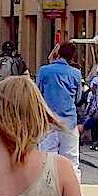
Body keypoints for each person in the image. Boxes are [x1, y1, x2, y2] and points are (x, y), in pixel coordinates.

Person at [35, 43, 82, 179]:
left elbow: (38, 93)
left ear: (58, 53)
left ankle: (49, 190)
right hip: (69, 121)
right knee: (71, 160)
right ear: (73, 57)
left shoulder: (44, 71)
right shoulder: (76, 73)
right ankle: (72, 192)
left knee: (47, 158)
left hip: (49, 120)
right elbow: (78, 98)